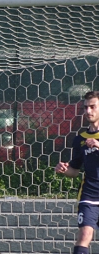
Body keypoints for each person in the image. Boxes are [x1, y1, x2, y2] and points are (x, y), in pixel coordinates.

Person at [55, 91, 99, 254]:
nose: (88, 111)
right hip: (90, 195)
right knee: (84, 235)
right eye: (86, 107)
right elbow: (75, 171)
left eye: (93, 107)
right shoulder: (80, 138)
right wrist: (65, 170)